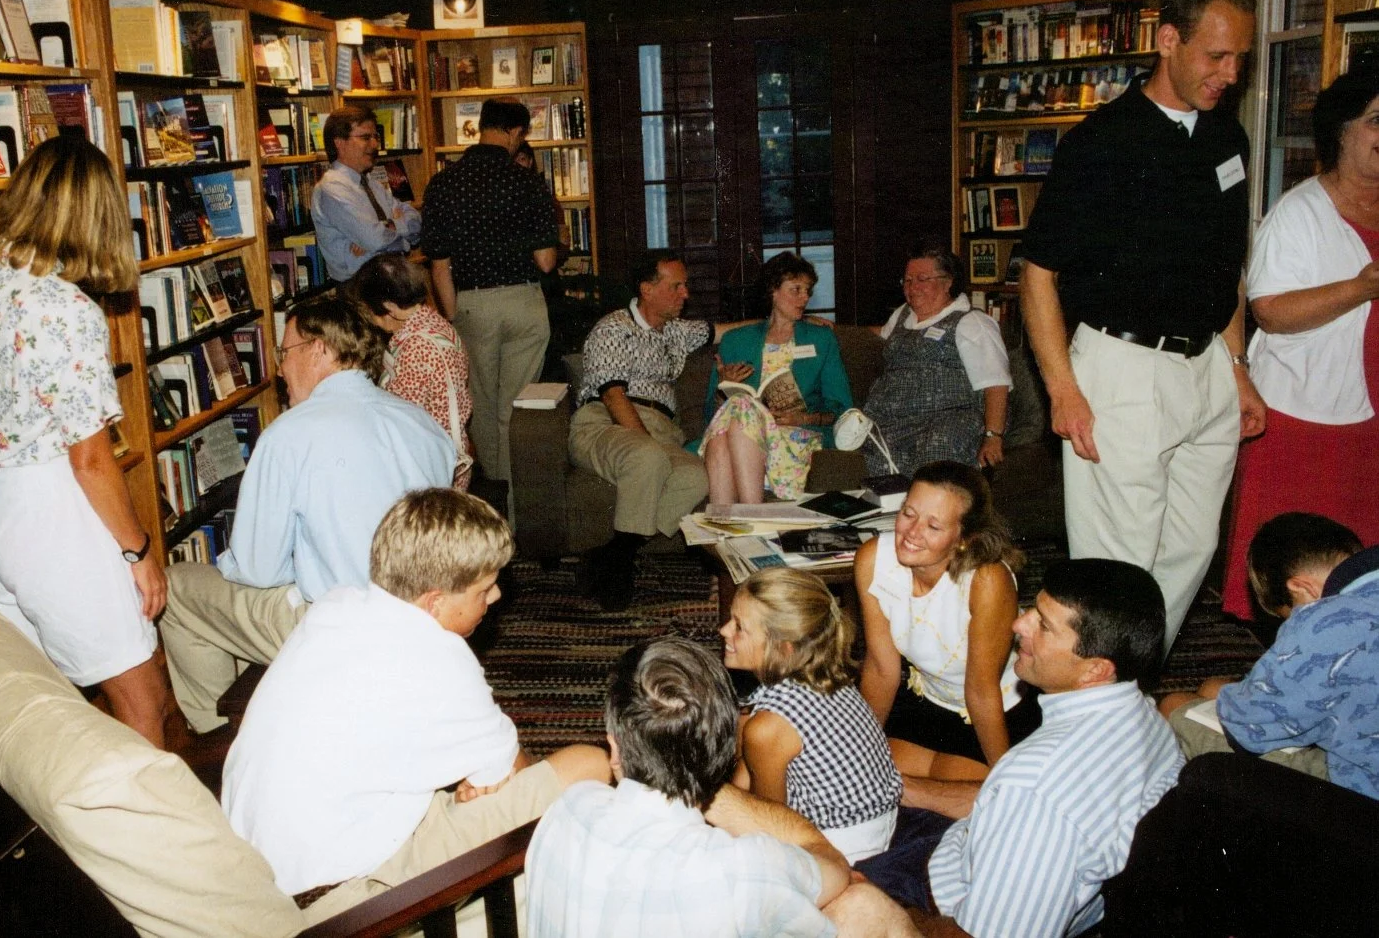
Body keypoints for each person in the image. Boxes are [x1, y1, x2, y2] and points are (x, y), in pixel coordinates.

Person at [1018, 0, 1265, 652]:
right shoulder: (1100, 144)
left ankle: (1134, 691)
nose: (1230, 72)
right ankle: (1097, 718)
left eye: (1240, 58)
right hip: (1122, 369)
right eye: (1216, 56)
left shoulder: (1227, 140)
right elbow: (1037, 275)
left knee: (1188, 552)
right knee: (1118, 570)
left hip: (1208, 366)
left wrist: (1238, 370)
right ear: (1166, 41)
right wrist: (1062, 390)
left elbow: (1229, 270)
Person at [222, 488, 612, 915]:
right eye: (485, 588)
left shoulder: (336, 605)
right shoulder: (444, 662)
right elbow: (516, 774)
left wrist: (482, 768)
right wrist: (489, 770)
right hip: (342, 897)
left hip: (258, 873)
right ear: (436, 601)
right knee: (587, 766)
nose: (497, 597)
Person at [0, 136, 167, 746]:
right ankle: (147, 838)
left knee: (38, 699)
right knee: (141, 694)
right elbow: (90, 458)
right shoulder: (65, 308)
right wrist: (137, 550)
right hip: (49, 510)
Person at [161, 296, 455, 734]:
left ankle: (221, 739)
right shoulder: (423, 424)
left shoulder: (289, 434)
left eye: (284, 353)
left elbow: (258, 570)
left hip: (342, 628)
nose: (279, 369)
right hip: (423, 618)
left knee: (178, 588)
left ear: (320, 349)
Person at [858, 559, 1183, 938]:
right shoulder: (1146, 717)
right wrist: (905, 788)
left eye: (1043, 626)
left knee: (821, 891)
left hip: (940, 906)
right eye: (1034, 610)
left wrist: (879, 912)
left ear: (1095, 669)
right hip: (975, 850)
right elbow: (1012, 805)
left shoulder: (1033, 788)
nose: (1018, 624)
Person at [525, 636, 920, 938]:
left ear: (614, 742)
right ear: (728, 750)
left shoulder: (570, 807)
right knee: (865, 905)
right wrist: (700, 784)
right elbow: (834, 867)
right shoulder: (741, 868)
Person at [1220, 71, 1379, 619]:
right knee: (1298, 570)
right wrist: (1361, 288)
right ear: (1341, 131)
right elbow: (1270, 310)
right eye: (1376, 121)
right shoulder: (1299, 212)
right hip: (1308, 418)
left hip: (1373, 414)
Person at [1161, 512, 1379, 799]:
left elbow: (1248, 731)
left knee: (1176, 705)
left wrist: (1221, 693)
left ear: (1301, 588)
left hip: (1363, 798)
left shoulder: (1321, 623)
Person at [570, 251, 743, 608]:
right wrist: (648, 446)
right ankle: (618, 574)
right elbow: (614, 396)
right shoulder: (615, 328)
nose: (686, 294)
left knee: (696, 475)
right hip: (605, 420)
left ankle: (615, 554)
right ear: (647, 289)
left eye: (686, 285)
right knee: (649, 458)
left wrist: (784, 321)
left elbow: (726, 330)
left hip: (660, 430)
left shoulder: (676, 332)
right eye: (676, 286)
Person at [856, 461, 1035, 772]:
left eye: (933, 526)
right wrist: (858, 748)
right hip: (926, 700)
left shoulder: (987, 580)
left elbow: (980, 690)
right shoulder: (872, 558)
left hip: (993, 712)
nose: (911, 533)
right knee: (859, 766)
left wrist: (1001, 777)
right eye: (908, 514)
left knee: (968, 790)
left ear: (963, 537)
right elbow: (881, 667)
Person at [722, 567, 903, 864]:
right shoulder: (824, 677)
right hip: (880, 821)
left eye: (739, 626)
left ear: (783, 648)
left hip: (841, 843)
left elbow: (770, 823)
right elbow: (745, 773)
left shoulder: (768, 727)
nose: (724, 631)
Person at [420, 98, 558, 485]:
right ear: (515, 132)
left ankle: (493, 494)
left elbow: (439, 263)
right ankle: (518, 505)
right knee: (514, 407)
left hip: (472, 302)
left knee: (479, 405)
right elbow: (546, 261)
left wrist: (452, 316)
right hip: (523, 301)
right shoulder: (528, 182)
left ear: (482, 127)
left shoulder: (444, 183)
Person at [699, 251, 853, 503]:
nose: (805, 298)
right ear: (773, 290)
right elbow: (711, 417)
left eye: (808, 291)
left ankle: (744, 517)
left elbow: (842, 408)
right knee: (736, 414)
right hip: (744, 436)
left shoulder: (821, 339)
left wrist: (803, 417)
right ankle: (736, 525)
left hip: (795, 435)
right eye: (796, 289)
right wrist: (723, 386)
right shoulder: (736, 341)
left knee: (736, 418)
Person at [863, 249, 1011, 477]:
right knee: (869, 453)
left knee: (937, 451)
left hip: (950, 417)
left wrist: (993, 436)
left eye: (922, 279)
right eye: (908, 280)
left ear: (948, 282)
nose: (912, 287)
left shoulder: (972, 322)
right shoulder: (903, 314)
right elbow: (880, 334)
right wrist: (835, 329)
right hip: (895, 420)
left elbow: (996, 384)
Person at [347, 254, 474, 489]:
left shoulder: (416, 347)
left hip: (431, 471)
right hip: (447, 458)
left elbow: (399, 418)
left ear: (390, 308)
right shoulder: (436, 325)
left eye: (371, 312)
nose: (372, 321)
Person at [311, 106, 422, 282]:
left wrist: (388, 227)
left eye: (375, 137)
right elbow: (375, 239)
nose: (374, 144)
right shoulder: (332, 189)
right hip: (360, 288)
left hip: (392, 280)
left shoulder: (372, 184)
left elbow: (416, 222)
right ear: (339, 143)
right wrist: (399, 233)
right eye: (365, 137)